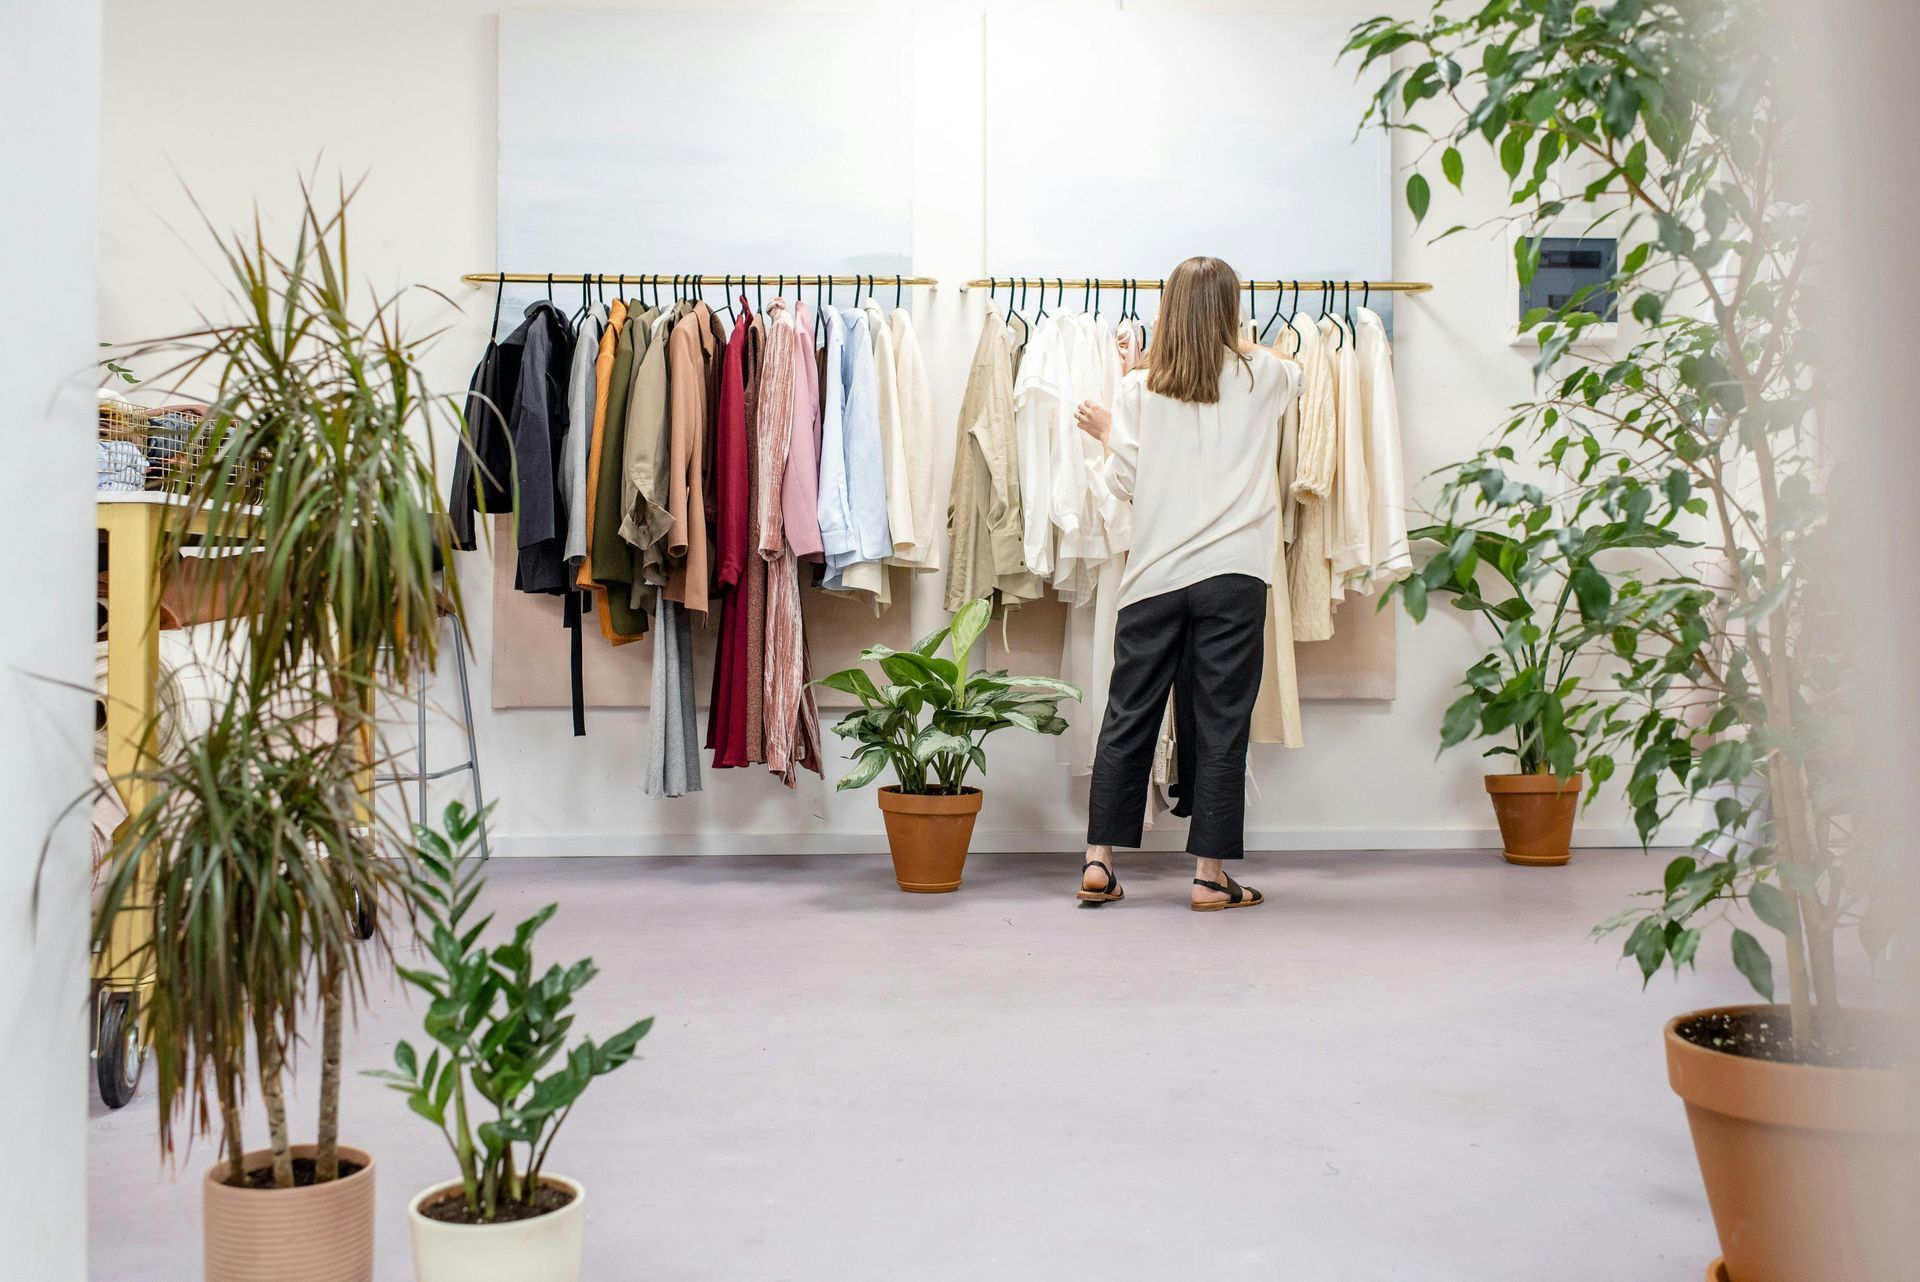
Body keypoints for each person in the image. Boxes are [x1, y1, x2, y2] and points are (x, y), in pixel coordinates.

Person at [1071, 256, 1298, 911]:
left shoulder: (1139, 389)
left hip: (1154, 577)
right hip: (1234, 575)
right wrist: (1233, 336)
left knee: (1126, 718)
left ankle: (1098, 864)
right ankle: (1208, 877)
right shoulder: (1265, 375)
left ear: (1166, 309)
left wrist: (1114, 433)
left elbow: (1126, 484)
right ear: (1233, 310)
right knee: (1220, 726)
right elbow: (1297, 373)